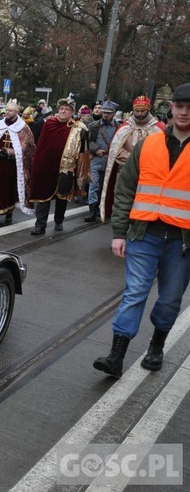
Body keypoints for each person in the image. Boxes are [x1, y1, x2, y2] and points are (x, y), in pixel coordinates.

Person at [93, 83, 190, 378]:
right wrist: (118, 232)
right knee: (134, 293)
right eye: (180, 106)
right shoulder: (148, 144)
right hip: (143, 234)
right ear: (171, 109)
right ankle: (116, 355)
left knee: (170, 299)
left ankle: (156, 346)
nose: (184, 112)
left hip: (182, 243)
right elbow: (125, 190)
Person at [99, 96, 165, 222]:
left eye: (143, 111)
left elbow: (162, 153)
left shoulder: (158, 129)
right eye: (137, 111)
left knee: (144, 200)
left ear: (148, 110)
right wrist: (132, 159)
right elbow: (116, 151)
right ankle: (120, 223)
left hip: (148, 174)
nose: (139, 114)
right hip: (124, 171)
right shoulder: (124, 127)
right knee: (122, 198)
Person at [28, 96, 88, 234]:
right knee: (43, 196)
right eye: (61, 109)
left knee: (62, 196)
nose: (63, 112)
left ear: (72, 112)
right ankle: (40, 225)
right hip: (46, 166)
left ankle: (59, 220)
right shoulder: (49, 124)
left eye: (67, 109)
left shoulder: (77, 128)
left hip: (65, 168)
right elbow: (41, 146)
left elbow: (83, 150)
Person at [0, 99, 36, 223]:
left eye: (10, 111)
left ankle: (8, 210)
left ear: (16, 112)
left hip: (12, 165)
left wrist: (10, 153)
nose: (7, 113)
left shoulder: (23, 128)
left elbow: (27, 146)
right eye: (7, 110)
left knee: (8, 188)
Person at [84, 100, 119, 222]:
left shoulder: (119, 127)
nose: (105, 115)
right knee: (93, 185)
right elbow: (89, 141)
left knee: (106, 186)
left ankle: (102, 208)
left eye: (109, 113)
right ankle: (92, 210)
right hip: (96, 159)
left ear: (114, 113)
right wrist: (96, 149)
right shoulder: (93, 126)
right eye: (104, 112)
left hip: (111, 160)